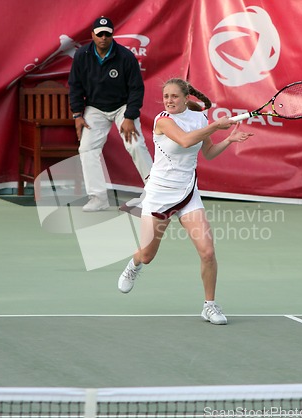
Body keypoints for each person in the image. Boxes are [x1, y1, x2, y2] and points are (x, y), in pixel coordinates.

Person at [117, 78, 254, 325]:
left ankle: (209, 306)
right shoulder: (163, 121)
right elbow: (185, 141)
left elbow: (208, 153)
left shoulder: (199, 119)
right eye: (166, 96)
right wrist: (216, 126)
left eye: (174, 96)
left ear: (186, 97)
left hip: (188, 194)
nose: (169, 100)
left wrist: (229, 140)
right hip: (159, 196)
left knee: (208, 252)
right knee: (148, 255)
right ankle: (134, 263)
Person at [68, 16, 152, 212]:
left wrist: (130, 116)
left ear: (112, 35)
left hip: (122, 106)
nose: (103, 38)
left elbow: (136, 89)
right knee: (87, 149)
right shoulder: (82, 55)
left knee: (136, 145)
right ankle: (98, 198)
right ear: (92, 35)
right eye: (100, 34)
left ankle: (155, 192)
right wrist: (77, 114)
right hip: (95, 107)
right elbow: (75, 86)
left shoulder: (125, 57)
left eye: (107, 34)